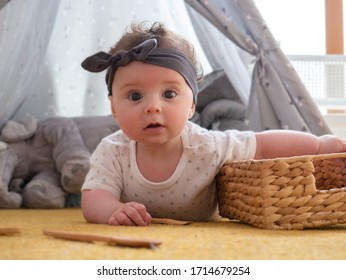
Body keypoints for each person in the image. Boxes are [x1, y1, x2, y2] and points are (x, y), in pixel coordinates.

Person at [80, 21, 346, 226]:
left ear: (192, 105)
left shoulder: (207, 146)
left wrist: (322, 146)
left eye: (169, 94)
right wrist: (113, 211)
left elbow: (263, 145)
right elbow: (94, 196)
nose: (153, 106)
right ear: (114, 107)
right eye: (135, 95)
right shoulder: (113, 150)